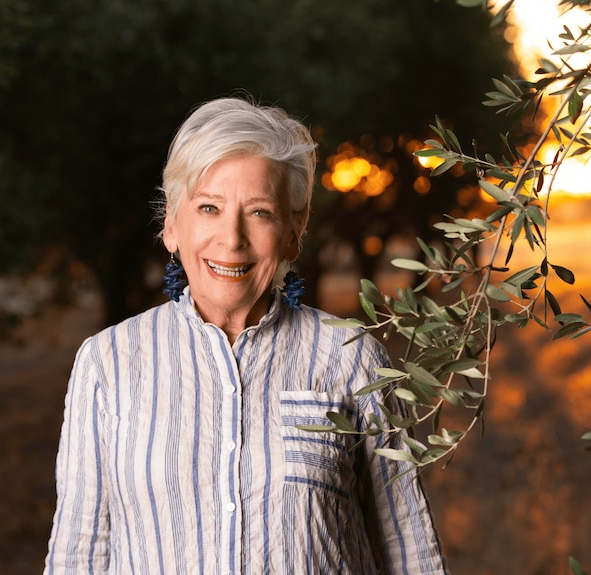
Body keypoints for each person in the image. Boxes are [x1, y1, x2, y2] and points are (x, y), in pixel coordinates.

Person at [43, 96, 450, 574]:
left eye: (259, 212)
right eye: (209, 207)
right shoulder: (108, 363)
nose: (231, 238)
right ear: (172, 224)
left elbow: (410, 551)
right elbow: (78, 557)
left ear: (294, 232)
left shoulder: (351, 359)